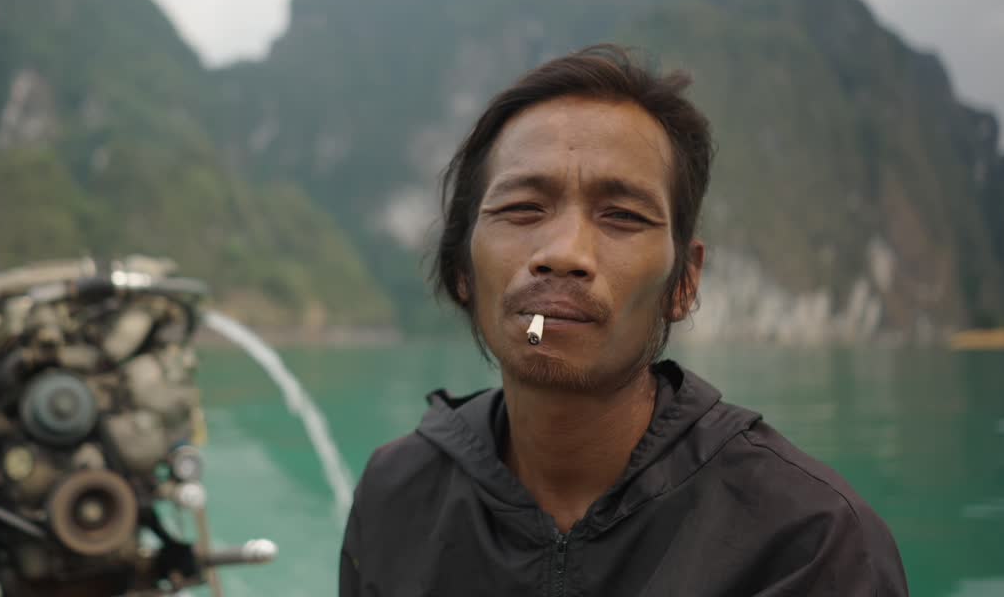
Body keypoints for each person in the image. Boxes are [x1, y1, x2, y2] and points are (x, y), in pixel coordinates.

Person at [339, 45, 909, 596]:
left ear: (683, 282)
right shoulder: (397, 493)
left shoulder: (808, 544)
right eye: (521, 209)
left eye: (622, 216)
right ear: (462, 266)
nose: (564, 252)